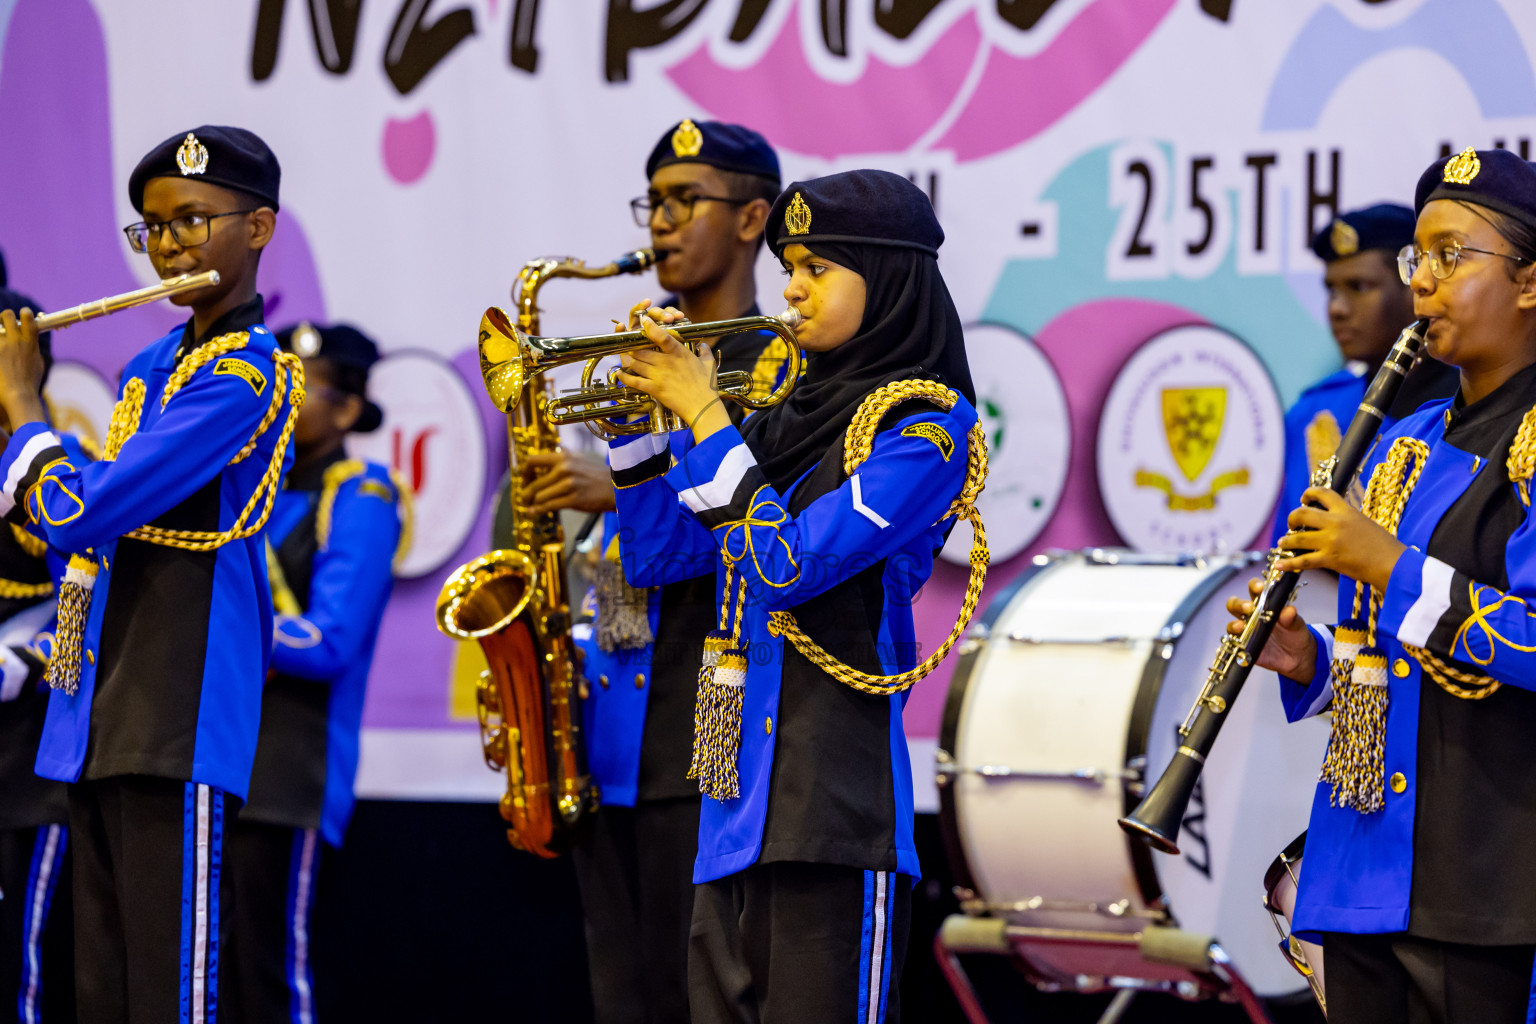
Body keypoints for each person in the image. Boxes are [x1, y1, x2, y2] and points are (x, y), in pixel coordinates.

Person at [611, 169, 978, 1022]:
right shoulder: (782, 415)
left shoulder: (924, 426)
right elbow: (663, 557)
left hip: (835, 811)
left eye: (817, 267)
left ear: (884, 275)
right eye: (789, 267)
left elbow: (788, 565)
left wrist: (703, 415)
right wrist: (636, 436)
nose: (791, 289)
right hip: (733, 801)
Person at [0, 125, 301, 1023]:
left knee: (169, 995)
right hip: (98, 707)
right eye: (154, 227)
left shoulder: (247, 376)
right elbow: (75, 534)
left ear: (259, 229)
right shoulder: (150, 365)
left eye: (194, 220)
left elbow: (75, 511)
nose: (170, 244)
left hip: (179, 709)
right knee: (101, 988)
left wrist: (21, 403)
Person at [1235, 148, 1536, 1022]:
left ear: (1528, 283)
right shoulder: (1404, 438)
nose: (1424, 283)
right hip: (1363, 872)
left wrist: (1387, 564)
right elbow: (1398, 667)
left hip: (1491, 882)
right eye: (1418, 260)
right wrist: (1310, 661)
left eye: (1453, 256)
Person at [553, 120, 784, 1024]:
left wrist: (613, 491)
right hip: (613, 729)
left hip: (711, 720)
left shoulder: (779, 366)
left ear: (752, 217)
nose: (661, 223)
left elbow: (756, 519)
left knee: (704, 989)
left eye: (687, 200)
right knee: (625, 992)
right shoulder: (631, 362)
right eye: (654, 202)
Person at [226, 322, 405, 1024]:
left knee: (268, 978)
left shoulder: (360, 494)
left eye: (303, 387)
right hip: (215, 759)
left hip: (287, 774)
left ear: (350, 410)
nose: (283, 399)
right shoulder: (245, 487)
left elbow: (329, 640)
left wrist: (215, 632)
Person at [1272, 204, 1458, 544]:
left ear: (1413, 285)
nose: (1337, 309)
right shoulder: (1313, 413)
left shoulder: (1468, 402)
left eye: (1359, 286)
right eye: (1331, 289)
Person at [0, 287, 74, 1024]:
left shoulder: (61, 470)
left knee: (12, 969)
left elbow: (90, 607)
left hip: (26, 765)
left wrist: (30, 661)